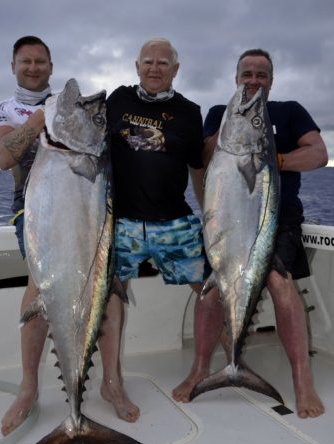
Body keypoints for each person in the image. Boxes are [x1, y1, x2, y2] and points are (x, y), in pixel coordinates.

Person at [173, 48, 327, 419]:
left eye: (262, 74)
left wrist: (274, 158)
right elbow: (204, 159)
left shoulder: (290, 111)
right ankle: (201, 368)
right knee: (211, 289)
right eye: (247, 74)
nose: (254, 80)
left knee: (279, 280)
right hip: (225, 220)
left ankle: (301, 377)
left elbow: (319, 154)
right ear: (236, 78)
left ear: (271, 81)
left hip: (274, 217)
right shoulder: (217, 113)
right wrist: (229, 132)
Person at [100, 37, 223, 422]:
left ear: (176, 69)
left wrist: (211, 214)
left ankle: (208, 367)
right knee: (109, 296)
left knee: (211, 288)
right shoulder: (115, 101)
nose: (155, 68)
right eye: (148, 62)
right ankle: (112, 383)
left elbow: (197, 167)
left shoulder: (189, 111)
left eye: (163, 63)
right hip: (120, 221)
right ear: (137, 67)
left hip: (174, 221)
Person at [0, 36, 53, 435]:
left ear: (50, 65)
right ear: (13, 66)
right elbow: (2, 158)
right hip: (31, 208)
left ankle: (110, 381)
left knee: (105, 284)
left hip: (81, 205)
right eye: (25, 61)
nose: (33, 67)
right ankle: (28, 388)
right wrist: (36, 122)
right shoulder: (1, 109)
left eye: (40, 61)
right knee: (39, 285)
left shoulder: (66, 103)